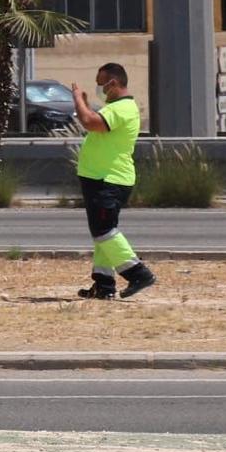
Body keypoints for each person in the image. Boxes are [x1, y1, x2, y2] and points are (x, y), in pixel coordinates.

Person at [71, 62, 155, 300]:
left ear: (114, 83)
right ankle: (104, 284)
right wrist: (86, 105)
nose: (100, 89)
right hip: (100, 178)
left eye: (101, 84)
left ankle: (138, 273)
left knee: (103, 231)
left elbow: (89, 122)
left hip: (108, 179)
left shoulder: (122, 108)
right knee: (103, 234)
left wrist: (78, 100)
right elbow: (96, 124)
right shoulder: (116, 108)